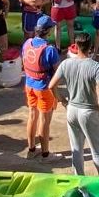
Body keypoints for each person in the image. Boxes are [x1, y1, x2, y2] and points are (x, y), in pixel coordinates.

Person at [50, 32, 99, 177]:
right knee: (97, 150)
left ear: (76, 46)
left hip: (72, 109)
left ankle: (79, 183)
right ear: (90, 47)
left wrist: (62, 101)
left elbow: (51, 85)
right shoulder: (94, 66)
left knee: (76, 149)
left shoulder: (66, 64)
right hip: (89, 111)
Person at [22, 16, 62, 161]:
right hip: (44, 88)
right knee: (45, 120)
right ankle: (45, 154)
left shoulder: (27, 43)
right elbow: (58, 73)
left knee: (32, 115)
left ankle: (31, 149)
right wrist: (57, 94)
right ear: (48, 31)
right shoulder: (50, 50)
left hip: (29, 85)